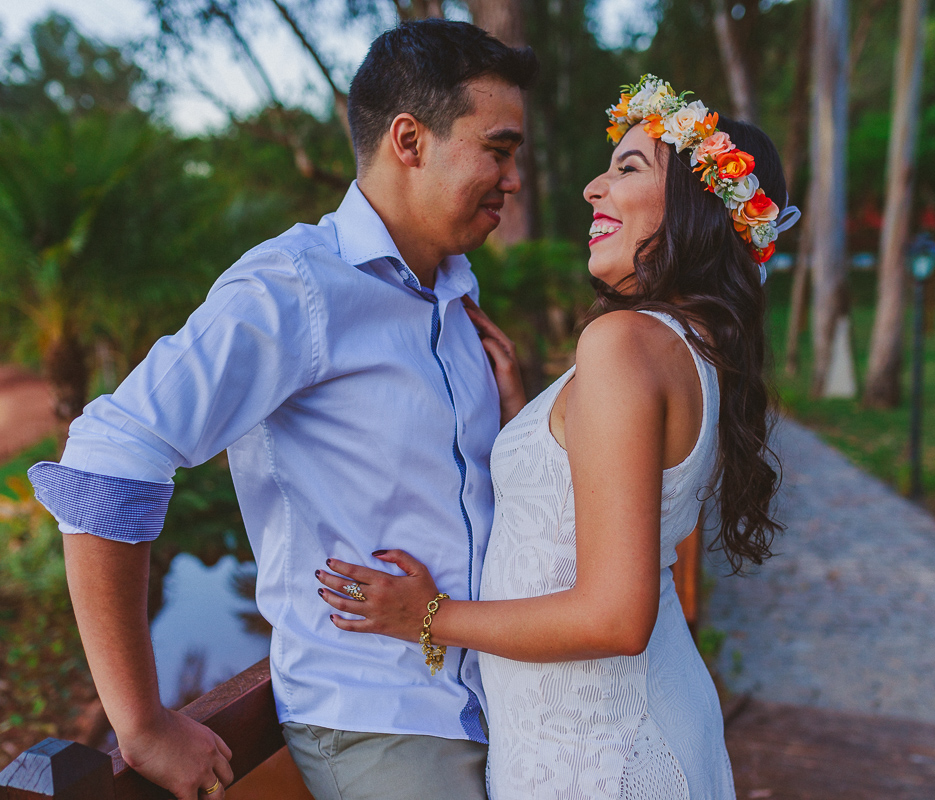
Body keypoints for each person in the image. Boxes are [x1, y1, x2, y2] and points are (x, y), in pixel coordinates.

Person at [27, 20, 536, 800]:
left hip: (494, 700)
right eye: (497, 151)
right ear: (409, 140)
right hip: (378, 718)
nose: (513, 179)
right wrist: (142, 722)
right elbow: (107, 454)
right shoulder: (294, 288)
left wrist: (511, 411)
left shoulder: (455, 292)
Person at [316, 76, 797, 799]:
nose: (592, 189)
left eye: (628, 168)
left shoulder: (624, 344)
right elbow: (599, 498)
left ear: (696, 207)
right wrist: (528, 419)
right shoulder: (688, 345)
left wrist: (428, 618)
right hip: (617, 733)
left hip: (602, 755)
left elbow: (614, 615)